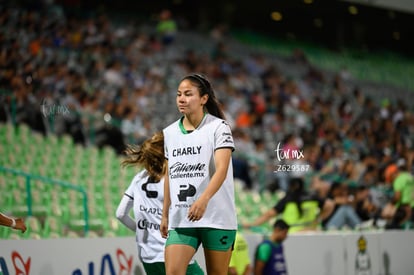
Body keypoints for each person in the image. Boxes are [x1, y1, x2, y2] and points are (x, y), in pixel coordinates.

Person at [160, 73, 238, 275]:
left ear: (203, 99)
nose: (182, 99)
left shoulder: (219, 128)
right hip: (182, 218)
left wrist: (204, 199)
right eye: (179, 94)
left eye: (188, 94)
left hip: (217, 217)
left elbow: (221, 170)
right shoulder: (169, 133)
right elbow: (170, 175)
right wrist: (165, 213)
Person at [115, 131, 204, 275]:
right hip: (172, 252)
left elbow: (120, 214)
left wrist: (141, 230)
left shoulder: (138, 178)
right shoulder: (173, 179)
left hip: (147, 255)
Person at [243, 177, 333, 233]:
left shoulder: (289, 198)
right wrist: (318, 219)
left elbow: (269, 214)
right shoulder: (312, 197)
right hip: (311, 231)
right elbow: (329, 204)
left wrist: (252, 225)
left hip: (293, 234)